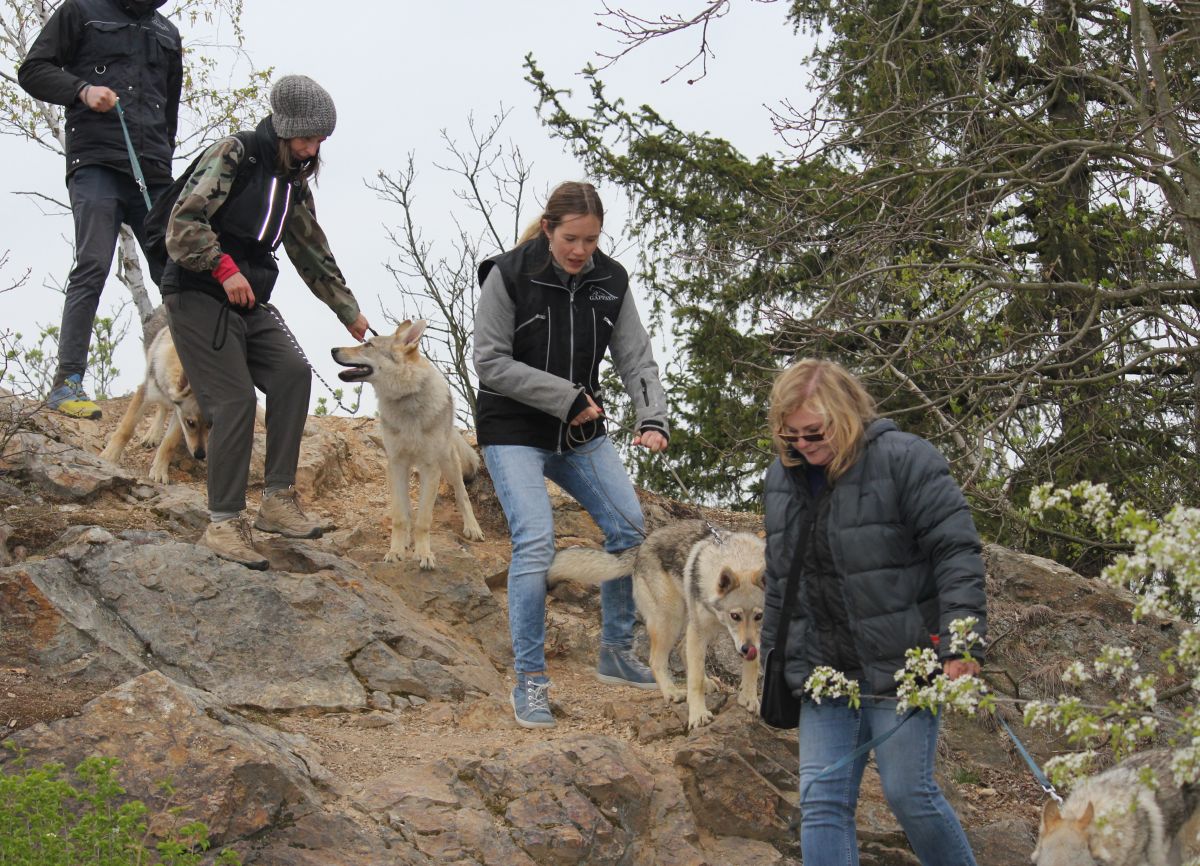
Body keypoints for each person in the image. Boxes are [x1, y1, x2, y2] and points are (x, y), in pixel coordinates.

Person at [759, 358, 987, 866]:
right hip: (824, 669)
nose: (803, 446)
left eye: (814, 433)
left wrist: (962, 642)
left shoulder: (906, 459)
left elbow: (957, 552)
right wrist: (776, 656)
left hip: (903, 662)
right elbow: (780, 578)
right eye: (790, 435)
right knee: (821, 802)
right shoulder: (782, 477)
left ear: (846, 415)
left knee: (909, 794)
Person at [473, 180, 670, 729]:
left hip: (579, 434)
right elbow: (489, 362)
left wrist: (652, 417)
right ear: (548, 230)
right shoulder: (507, 275)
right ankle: (530, 681)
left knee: (631, 528)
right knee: (536, 540)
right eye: (571, 239)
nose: (581, 251)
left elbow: (637, 360)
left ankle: (615, 652)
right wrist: (565, 398)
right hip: (513, 430)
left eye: (591, 240)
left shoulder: (611, 281)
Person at [160, 74, 370, 570]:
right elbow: (183, 224)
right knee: (233, 401)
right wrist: (223, 267)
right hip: (197, 293)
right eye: (306, 138)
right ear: (282, 129)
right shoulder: (236, 153)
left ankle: (277, 501)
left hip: (249, 299)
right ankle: (224, 523)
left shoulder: (292, 181)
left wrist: (348, 311)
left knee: (292, 375)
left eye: (320, 140)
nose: (313, 148)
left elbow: (310, 250)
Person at [17, 0, 182, 420]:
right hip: (96, 162)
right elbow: (33, 70)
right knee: (92, 264)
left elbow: (171, 109)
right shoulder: (80, 10)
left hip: (154, 170)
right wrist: (82, 90)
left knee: (178, 274)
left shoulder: (167, 32)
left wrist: (165, 159)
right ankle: (68, 382)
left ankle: (195, 379)